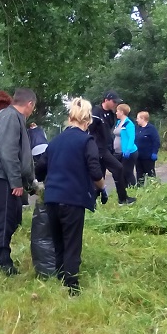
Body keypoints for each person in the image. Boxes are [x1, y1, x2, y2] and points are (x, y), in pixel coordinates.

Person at [34, 97, 105, 294]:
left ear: (69, 118)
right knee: (72, 242)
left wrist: (43, 180)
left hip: (52, 198)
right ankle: (71, 286)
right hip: (73, 199)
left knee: (58, 242)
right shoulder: (86, 140)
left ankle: (59, 275)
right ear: (87, 120)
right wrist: (102, 187)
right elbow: (95, 171)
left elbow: (40, 168)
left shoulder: (55, 141)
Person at [0, 88, 36, 275]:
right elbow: (8, 152)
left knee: (11, 217)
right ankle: (3, 264)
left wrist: (29, 182)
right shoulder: (11, 117)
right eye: (32, 107)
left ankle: (2, 257)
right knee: (3, 219)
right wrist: (16, 182)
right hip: (0, 176)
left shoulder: (7, 116)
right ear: (29, 104)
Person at [89, 90, 136, 205]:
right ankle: (121, 199)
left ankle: (116, 199)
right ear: (106, 100)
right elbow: (89, 131)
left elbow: (109, 130)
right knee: (117, 168)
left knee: (103, 174)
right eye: (114, 102)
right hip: (99, 150)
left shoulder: (110, 114)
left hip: (108, 148)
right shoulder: (95, 113)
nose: (116, 104)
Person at [114, 103, 138, 187]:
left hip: (129, 152)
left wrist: (128, 149)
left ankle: (133, 187)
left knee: (128, 171)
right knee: (121, 172)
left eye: (117, 111)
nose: (116, 113)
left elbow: (131, 137)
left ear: (122, 112)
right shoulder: (118, 123)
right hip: (119, 151)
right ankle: (125, 188)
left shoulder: (129, 124)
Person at [135, 111, 160, 186]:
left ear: (143, 118)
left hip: (148, 156)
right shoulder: (138, 129)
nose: (136, 120)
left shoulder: (151, 129)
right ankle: (140, 189)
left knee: (150, 174)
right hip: (138, 156)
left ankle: (154, 188)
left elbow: (156, 141)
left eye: (138, 118)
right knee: (139, 174)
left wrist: (154, 152)